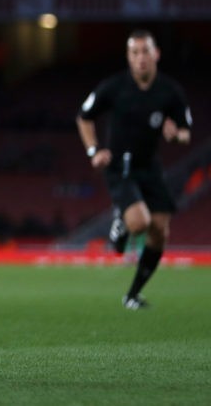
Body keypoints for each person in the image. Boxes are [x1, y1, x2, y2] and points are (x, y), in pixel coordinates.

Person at [76, 29, 192, 310]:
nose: (141, 58)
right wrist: (93, 150)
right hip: (119, 166)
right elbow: (84, 117)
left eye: (146, 51)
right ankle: (122, 220)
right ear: (128, 56)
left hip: (150, 167)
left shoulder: (170, 91)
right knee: (140, 222)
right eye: (135, 52)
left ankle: (132, 295)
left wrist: (175, 135)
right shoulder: (114, 87)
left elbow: (186, 132)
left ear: (156, 54)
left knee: (160, 232)